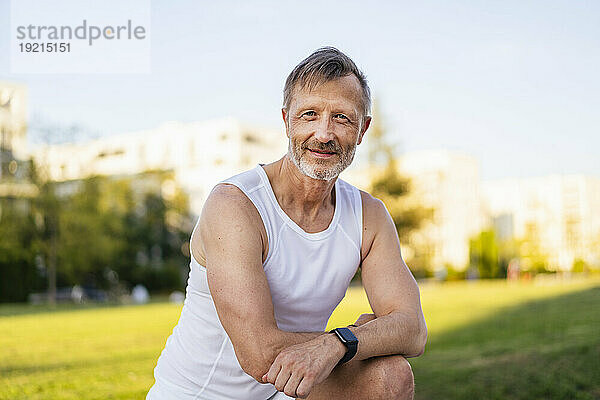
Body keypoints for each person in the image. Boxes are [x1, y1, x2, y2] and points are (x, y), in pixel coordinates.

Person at [147, 47, 427, 400]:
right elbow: (259, 353)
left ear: (362, 129)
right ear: (286, 121)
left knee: (391, 376)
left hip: (290, 390)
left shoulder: (369, 216)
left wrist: (341, 343)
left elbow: (412, 329)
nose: (324, 133)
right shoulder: (235, 205)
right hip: (199, 395)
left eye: (341, 118)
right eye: (309, 114)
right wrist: (360, 337)